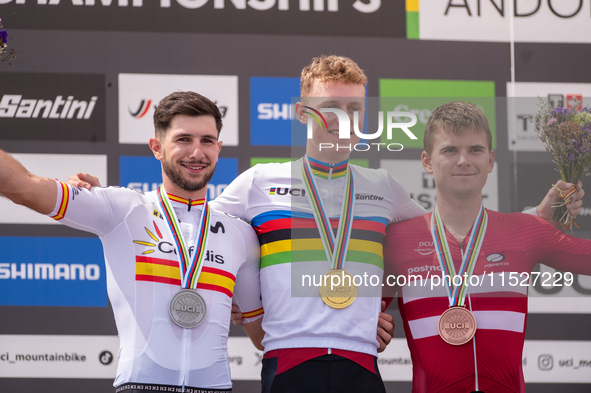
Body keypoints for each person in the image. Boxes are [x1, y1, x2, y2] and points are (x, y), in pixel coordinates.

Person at [70, 56, 582, 392]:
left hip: (362, 366)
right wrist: (117, 196)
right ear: (300, 113)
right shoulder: (257, 183)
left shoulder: (384, 187)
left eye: (354, 110)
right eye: (328, 109)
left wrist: (534, 222)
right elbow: (193, 226)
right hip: (287, 365)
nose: (342, 121)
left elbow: (448, 231)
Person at [0, 91, 264, 393]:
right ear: (157, 147)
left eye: (206, 141)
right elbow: (23, 187)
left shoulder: (240, 235)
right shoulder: (121, 209)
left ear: (218, 148)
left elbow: (263, 337)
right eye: (183, 139)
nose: (196, 152)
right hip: (140, 385)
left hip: (216, 387)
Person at [383, 101, 591, 393]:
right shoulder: (396, 241)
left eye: (475, 150)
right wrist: (371, 325)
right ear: (427, 161)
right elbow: (355, 312)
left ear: (491, 160)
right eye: (450, 150)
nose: (464, 160)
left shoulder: (525, 231)